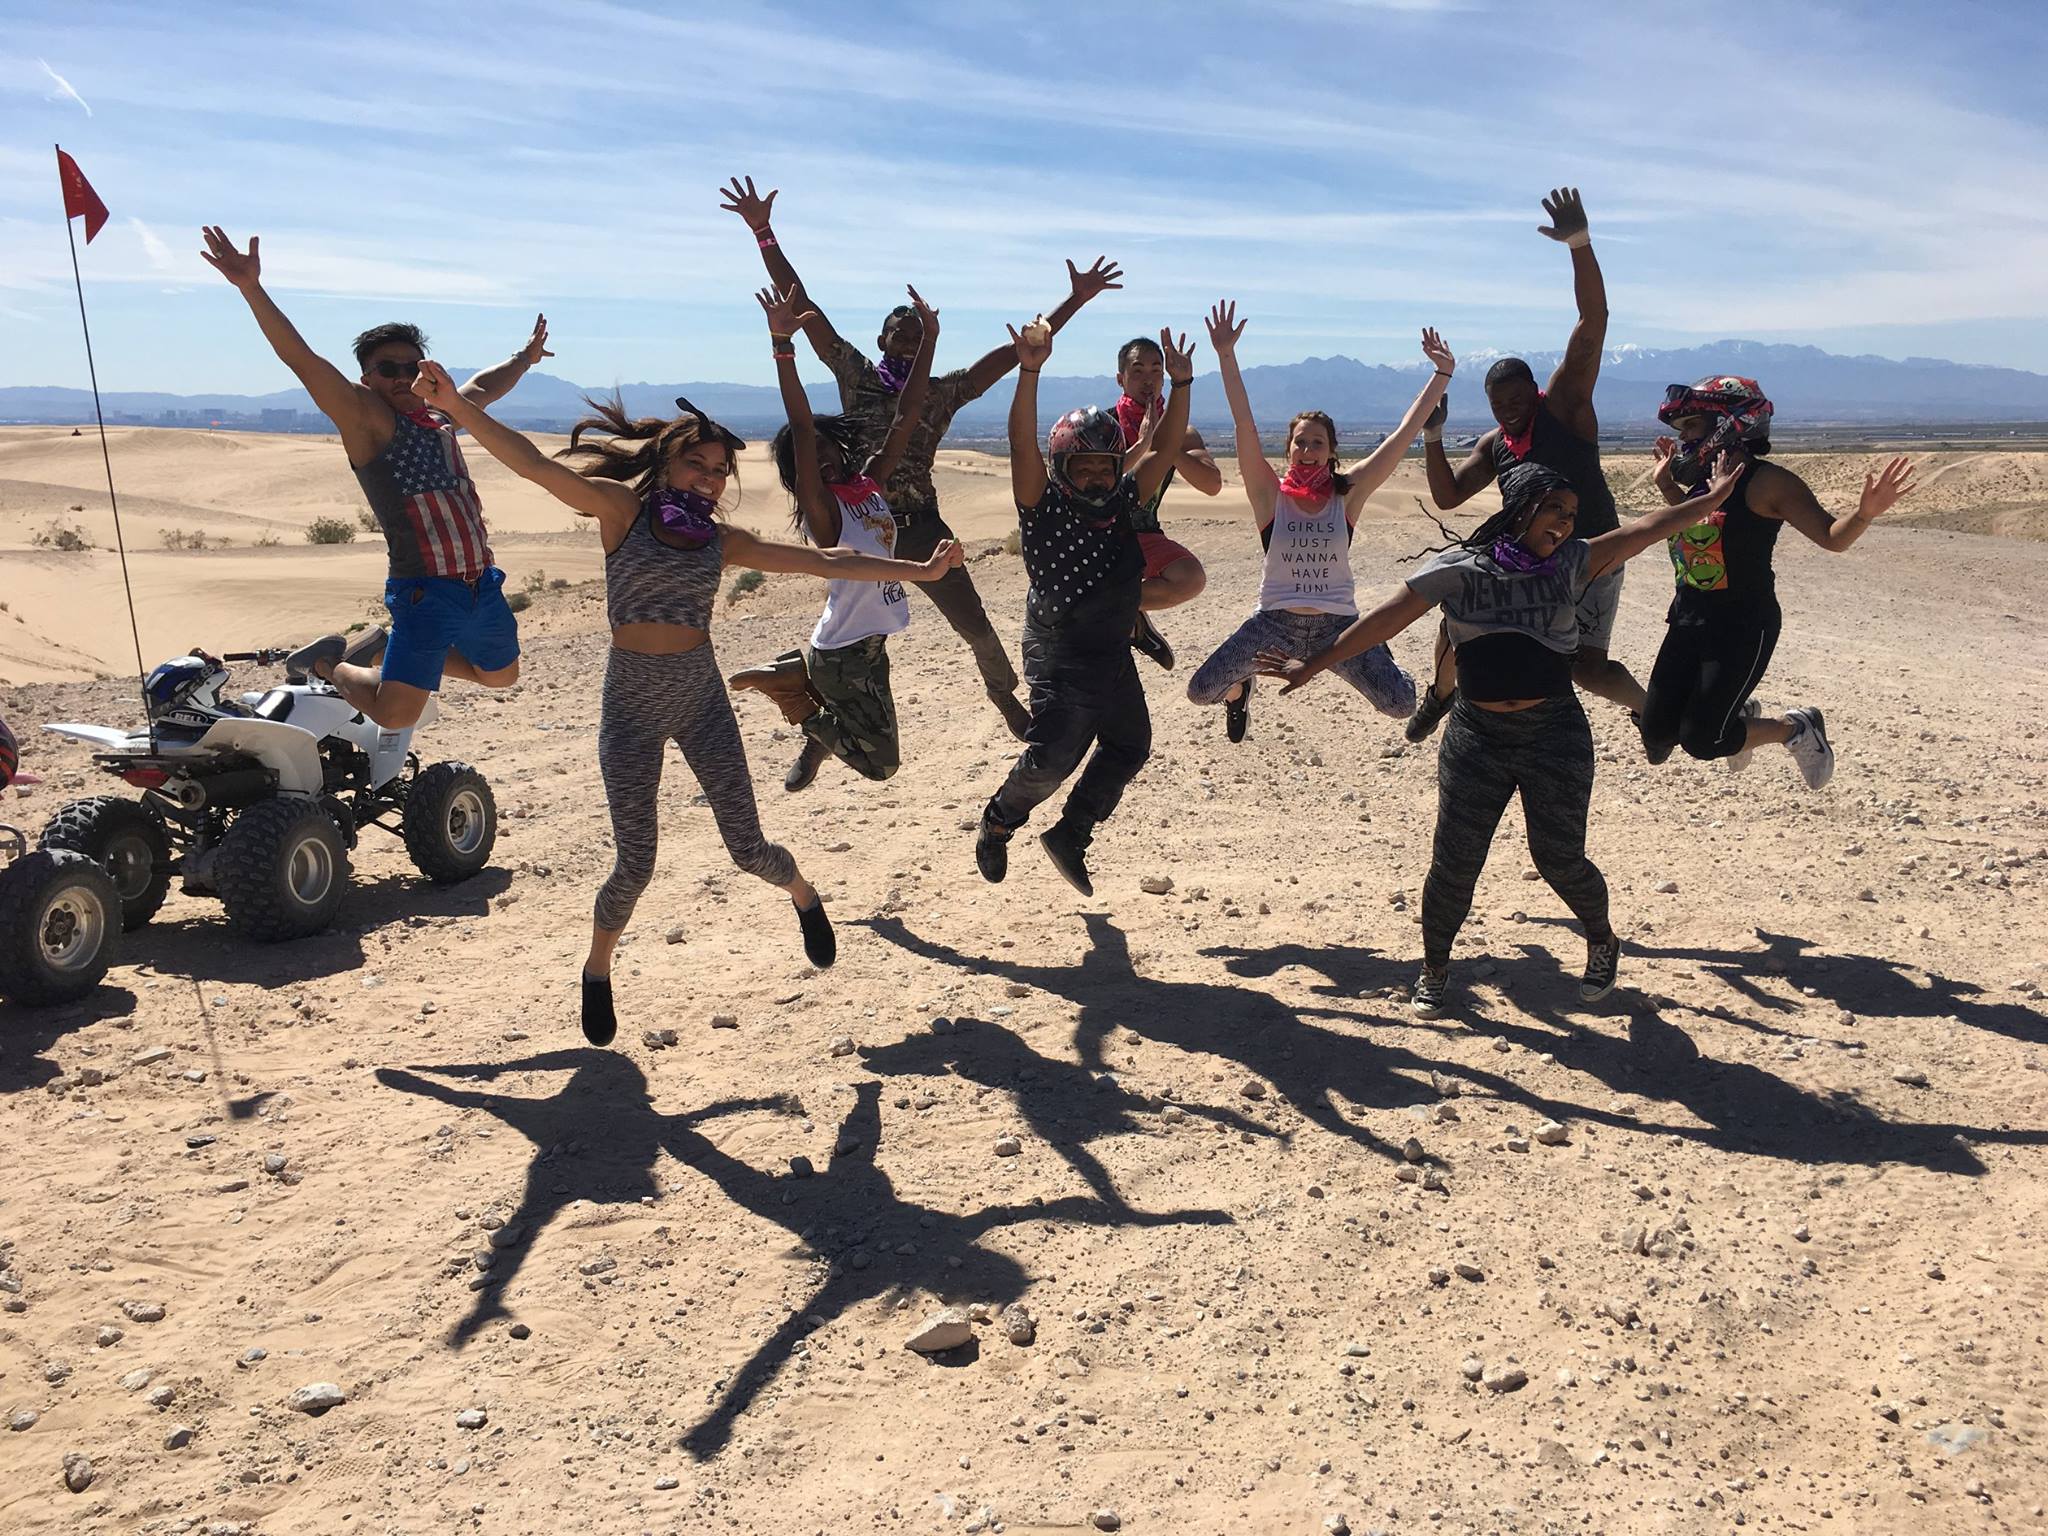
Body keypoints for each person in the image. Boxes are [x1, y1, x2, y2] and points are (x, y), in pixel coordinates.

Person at [403, 362, 963, 1046]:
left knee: (749, 850)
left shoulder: (723, 543)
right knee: (634, 865)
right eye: (696, 462)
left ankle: (805, 897)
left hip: (700, 702)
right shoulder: (623, 513)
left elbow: (834, 563)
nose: (708, 476)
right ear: (667, 463)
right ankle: (597, 971)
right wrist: (458, 406)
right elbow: (534, 468)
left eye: (720, 469)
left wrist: (920, 571)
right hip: (631, 712)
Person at [1258, 453, 1746, 1017]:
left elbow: (1642, 530)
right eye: (1554, 509)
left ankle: (1602, 939)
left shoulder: (1573, 562)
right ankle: (1435, 967)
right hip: (1477, 737)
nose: (1564, 522)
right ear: (1521, 509)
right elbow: (1385, 618)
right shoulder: (1460, 569)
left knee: (1559, 860)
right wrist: (1314, 664)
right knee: (1454, 864)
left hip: (1553, 735)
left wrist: (1708, 502)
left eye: (1571, 513)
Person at [719, 175, 1124, 739]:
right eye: (899, 332)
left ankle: (1004, 697)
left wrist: (1073, 301)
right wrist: (764, 233)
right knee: (852, 639)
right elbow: (804, 307)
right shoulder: (856, 377)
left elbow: (1019, 350)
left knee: (974, 622)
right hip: (859, 524)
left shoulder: (940, 392)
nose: (909, 338)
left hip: (923, 525)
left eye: (916, 331)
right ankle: (822, 727)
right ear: (882, 342)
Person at [198, 226, 544, 729]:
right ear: (367, 379)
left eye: (411, 366)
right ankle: (328, 664)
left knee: (500, 676)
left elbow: (484, 387)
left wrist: (525, 359)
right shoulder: (369, 422)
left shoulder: (443, 412)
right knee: (394, 715)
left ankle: (385, 648)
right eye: (388, 369)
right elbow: (304, 361)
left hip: (480, 585)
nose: (402, 377)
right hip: (425, 589)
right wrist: (252, 289)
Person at [1408, 188, 1641, 740]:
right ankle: (1440, 695)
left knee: (1588, 668)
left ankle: (1652, 715)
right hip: (1530, 561)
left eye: (1517, 400)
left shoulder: (1563, 409)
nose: (1509, 411)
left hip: (1591, 552)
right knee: (1457, 594)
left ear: (1534, 392)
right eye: (1498, 404)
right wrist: (1434, 436)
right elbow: (1447, 497)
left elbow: (1594, 320)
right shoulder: (1496, 445)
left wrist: (1578, 243)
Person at [975, 322, 1196, 896]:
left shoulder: (1124, 498)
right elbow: (1022, 444)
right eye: (1085, 467)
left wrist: (1183, 381)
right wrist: (1030, 371)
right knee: (1052, 759)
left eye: (1106, 465)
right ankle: (1000, 819)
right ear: (1063, 469)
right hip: (1060, 649)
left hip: (1111, 643)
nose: (1099, 476)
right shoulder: (1042, 508)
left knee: (1130, 745)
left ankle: (1071, 834)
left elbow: (1167, 447)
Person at [1186, 300, 1452, 741]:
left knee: (1401, 704)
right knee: (1202, 691)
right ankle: (1240, 691)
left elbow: (1403, 435)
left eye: (1316, 443)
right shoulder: (1270, 497)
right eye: (1299, 443)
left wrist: (1440, 375)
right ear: (1288, 449)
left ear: (1331, 451)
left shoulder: (1348, 493)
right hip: (1273, 624)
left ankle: (1370, 650)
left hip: (1338, 628)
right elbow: (1244, 426)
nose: (1307, 450)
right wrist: (1226, 355)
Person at [1641, 376, 1916, 789]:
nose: (1684, 440)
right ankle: (1738, 714)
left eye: (1692, 427)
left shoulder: (1767, 484)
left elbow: (1832, 538)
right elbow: (1696, 528)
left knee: (1703, 739)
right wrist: (1667, 486)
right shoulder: (1704, 480)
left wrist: (1865, 514)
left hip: (1740, 624)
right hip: (1689, 617)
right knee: (1657, 734)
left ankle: (1796, 728)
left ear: (1726, 423)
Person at [737, 284, 940, 792]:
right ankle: (796, 697)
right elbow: (802, 428)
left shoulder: (867, 486)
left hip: (871, 648)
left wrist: (930, 338)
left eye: (832, 451)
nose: (823, 457)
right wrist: (783, 347)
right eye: (813, 456)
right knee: (882, 765)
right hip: (842, 655)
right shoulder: (823, 511)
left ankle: (807, 710)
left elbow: (907, 415)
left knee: (874, 742)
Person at [1108, 335, 1223, 668]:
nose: (1148, 379)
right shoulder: (1104, 426)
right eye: (1138, 370)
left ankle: (1128, 613)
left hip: (1144, 532)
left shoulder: (1183, 432)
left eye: (1156, 370)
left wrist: (1167, 444)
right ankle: (1125, 618)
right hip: (1103, 531)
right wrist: (1144, 446)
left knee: (1190, 578)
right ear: (1121, 379)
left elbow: (1212, 484)